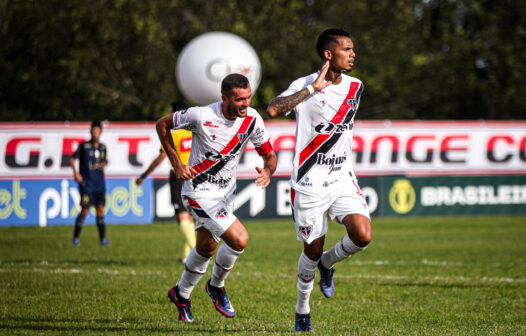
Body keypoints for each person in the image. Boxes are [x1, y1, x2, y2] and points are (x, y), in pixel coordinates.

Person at [267, 28, 372, 332]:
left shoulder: (356, 86)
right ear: (328, 54)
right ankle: (302, 309)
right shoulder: (304, 84)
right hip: (309, 183)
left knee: (363, 236)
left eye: (353, 49)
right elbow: (274, 108)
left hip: (341, 176)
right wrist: (313, 89)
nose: (352, 54)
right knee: (311, 251)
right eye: (346, 49)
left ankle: (328, 264)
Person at [157, 73, 277, 322]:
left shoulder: (253, 119)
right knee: (239, 239)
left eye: (248, 98)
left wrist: (268, 170)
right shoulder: (201, 116)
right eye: (239, 99)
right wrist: (177, 164)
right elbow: (162, 125)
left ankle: (181, 293)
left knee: (206, 247)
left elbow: (269, 155)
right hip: (197, 192)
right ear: (224, 98)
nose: (245, 104)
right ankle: (216, 286)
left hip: (225, 195)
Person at [136, 102, 196, 264]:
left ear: (174, 114)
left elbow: (161, 158)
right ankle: (186, 257)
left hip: (179, 176)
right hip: (195, 175)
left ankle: (197, 253)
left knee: (182, 216)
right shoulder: (193, 131)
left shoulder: (174, 133)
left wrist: (144, 174)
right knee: (189, 217)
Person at [70, 120, 110, 246]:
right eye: (94, 131)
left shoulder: (103, 148)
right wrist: (76, 173)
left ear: (101, 133)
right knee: (85, 210)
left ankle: (102, 239)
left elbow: (103, 161)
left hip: (100, 185)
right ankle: (76, 238)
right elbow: (72, 159)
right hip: (87, 185)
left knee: (100, 210)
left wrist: (103, 164)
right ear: (91, 132)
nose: (95, 133)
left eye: (98, 131)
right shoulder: (84, 146)